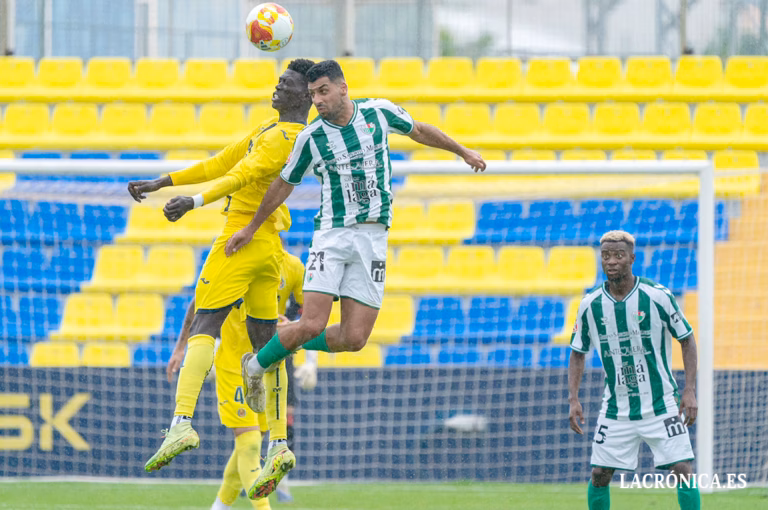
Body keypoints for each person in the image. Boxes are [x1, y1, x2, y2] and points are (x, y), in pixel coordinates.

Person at [224, 59, 486, 500]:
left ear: (343, 88)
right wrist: (250, 227)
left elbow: (420, 130)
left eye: (324, 91)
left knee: (354, 338)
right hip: (332, 234)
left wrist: (462, 152)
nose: (319, 101)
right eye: (313, 96)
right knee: (311, 323)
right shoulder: (311, 137)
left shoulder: (378, 113)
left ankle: (281, 338)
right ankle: (257, 363)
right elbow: (284, 185)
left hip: (374, 239)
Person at [127, 58, 315, 472]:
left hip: (238, 240)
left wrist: (192, 203)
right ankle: (279, 444)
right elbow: (221, 162)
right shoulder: (274, 131)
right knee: (268, 345)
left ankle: (181, 422)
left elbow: (240, 175)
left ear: (304, 95)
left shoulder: (283, 138)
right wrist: (163, 182)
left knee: (204, 324)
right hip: (270, 250)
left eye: (285, 83)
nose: (277, 87)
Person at [166, 248, 309, 510]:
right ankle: (263, 508)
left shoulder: (293, 267)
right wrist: (180, 348)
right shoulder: (233, 262)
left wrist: (292, 326)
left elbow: (311, 314)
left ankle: (219, 507)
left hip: (267, 365)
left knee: (250, 445)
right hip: (232, 366)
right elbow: (199, 302)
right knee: (250, 443)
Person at [568, 230, 700, 510]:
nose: (611, 261)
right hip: (617, 407)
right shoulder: (590, 304)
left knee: (683, 470)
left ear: (632, 258)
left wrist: (689, 390)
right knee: (599, 474)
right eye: (605, 256)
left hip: (661, 403)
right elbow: (578, 353)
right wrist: (573, 398)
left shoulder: (657, 296)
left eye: (618, 255)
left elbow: (686, 339)